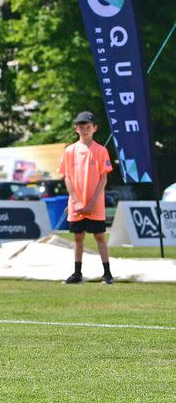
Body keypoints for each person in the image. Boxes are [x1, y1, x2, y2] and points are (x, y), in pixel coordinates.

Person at [58, 111, 114, 285]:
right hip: (76, 203)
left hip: (95, 204)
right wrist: (75, 200)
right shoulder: (70, 151)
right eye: (81, 126)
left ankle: (107, 274)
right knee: (78, 237)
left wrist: (91, 202)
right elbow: (67, 176)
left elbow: (103, 177)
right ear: (76, 128)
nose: (84, 129)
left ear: (94, 128)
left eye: (88, 126)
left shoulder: (100, 150)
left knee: (99, 236)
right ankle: (77, 273)